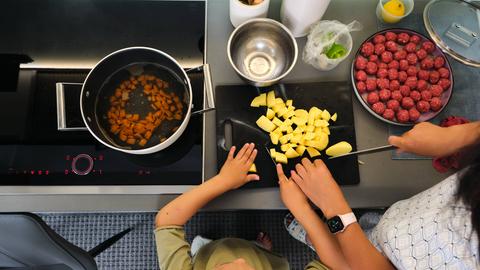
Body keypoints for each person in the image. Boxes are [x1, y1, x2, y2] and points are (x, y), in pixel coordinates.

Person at [280, 121, 480, 270]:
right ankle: (359, 231)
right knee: (373, 231)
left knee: (344, 243)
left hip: (380, 260)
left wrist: (321, 210)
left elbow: (355, 266)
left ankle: (317, 237)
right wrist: (459, 136)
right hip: (406, 224)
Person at [154, 143, 337, 270]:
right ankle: (260, 249)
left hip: (208, 255)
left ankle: (203, 249)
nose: (240, 261)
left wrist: (223, 181)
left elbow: (166, 221)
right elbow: (336, 263)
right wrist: (306, 210)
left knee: (206, 250)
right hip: (271, 264)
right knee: (261, 254)